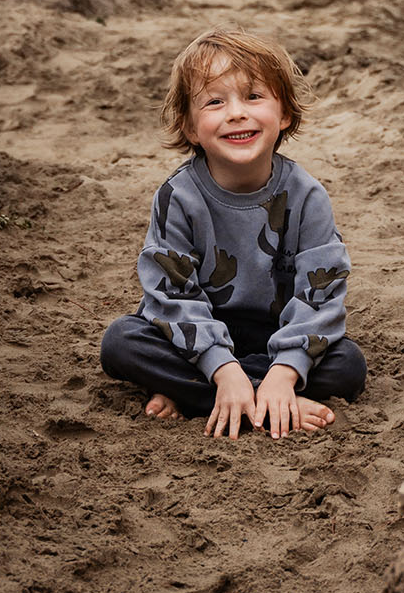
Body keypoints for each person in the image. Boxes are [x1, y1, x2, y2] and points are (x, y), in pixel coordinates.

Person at [100, 28, 367, 439]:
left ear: (284, 114)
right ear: (190, 127)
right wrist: (222, 367)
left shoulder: (307, 196)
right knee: (121, 342)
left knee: (348, 364)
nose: (237, 113)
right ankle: (263, 401)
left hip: (276, 334)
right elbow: (172, 296)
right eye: (215, 101)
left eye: (253, 96)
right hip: (196, 336)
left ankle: (218, 395)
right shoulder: (178, 197)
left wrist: (285, 371)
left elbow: (321, 296)